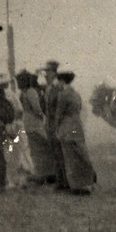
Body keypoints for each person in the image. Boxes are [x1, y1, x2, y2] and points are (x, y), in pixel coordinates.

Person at [53, 71, 96, 195]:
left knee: (70, 157)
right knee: (80, 154)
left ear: (62, 81)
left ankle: (76, 185)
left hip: (66, 126)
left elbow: (59, 114)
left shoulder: (63, 94)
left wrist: (56, 128)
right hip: (77, 125)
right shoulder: (76, 94)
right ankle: (87, 183)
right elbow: (80, 108)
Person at [17, 69, 55, 185]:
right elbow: (37, 109)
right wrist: (43, 117)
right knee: (42, 146)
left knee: (35, 148)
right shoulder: (31, 91)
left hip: (27, 121)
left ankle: (41, 172)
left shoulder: (22, 93)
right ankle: (47, 173)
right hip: (34, 122)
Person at [42, 60, 68, 190]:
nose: (45, 75)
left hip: (58, 124)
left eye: (48, 72)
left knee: (61, 152)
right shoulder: (49, 88)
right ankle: (60, 180)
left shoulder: (59, 88)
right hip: (50, 124)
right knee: (55, 153)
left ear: (54, 73)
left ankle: (65, 181)